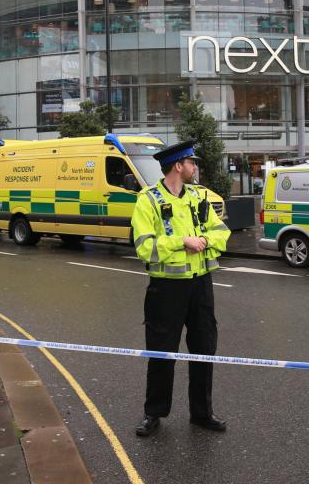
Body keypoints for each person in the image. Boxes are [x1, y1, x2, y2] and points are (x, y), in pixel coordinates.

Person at [130, 140, 231, 438]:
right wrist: (182, 241)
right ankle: (154, 413)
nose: (195, 167)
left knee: (204, 351)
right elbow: (144, 247)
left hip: (201, 287)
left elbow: (221, 233)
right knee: (162, 353)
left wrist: (204, 241)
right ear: (178, 166)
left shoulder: (197, 198)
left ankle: (202, 413)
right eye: (191, 163)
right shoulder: (147, 201)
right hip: (167, 290)